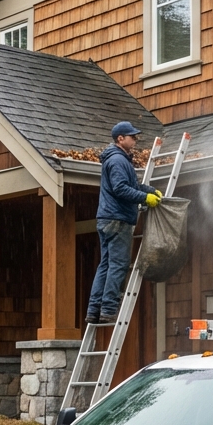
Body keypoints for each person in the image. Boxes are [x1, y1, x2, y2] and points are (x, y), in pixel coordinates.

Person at [86, 121, 160, 324]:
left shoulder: (116, 159)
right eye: (132, 136)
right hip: (118, 219)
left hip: (107, 218)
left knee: (106, 265)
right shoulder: (118, 160)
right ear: (120, 138)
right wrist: (144, 199)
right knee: (118, 265)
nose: (135, 140)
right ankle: (108, 309)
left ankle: (94, 310)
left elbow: (131, 185)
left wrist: (150, 191)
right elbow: (121, 189)